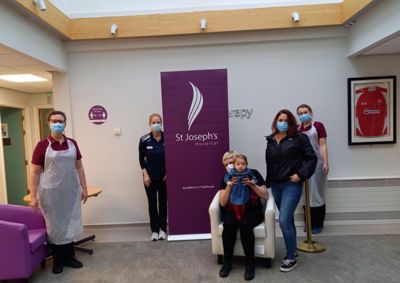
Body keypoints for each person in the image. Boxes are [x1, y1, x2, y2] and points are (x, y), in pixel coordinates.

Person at [29, 110, 88, 274]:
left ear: (65, 123)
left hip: (71, 191)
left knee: (70, 222)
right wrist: (33, 196)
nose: (57, 124)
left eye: (60, 121)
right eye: (54, 121)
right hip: (50, 194)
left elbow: (80, 167)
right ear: (48, 123)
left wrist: (85, 188)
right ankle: (57, 260)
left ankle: (70, 257)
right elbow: (34, 173)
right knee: (54, 226)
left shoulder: (72, 143)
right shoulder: (42, 146)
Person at [265, 109, 317, 272]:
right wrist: (267, 182)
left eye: (286, 120)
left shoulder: (299, 138)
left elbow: (311, 158)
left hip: (291, 185)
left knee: (283, 220)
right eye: (280, 119)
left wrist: (301, 174)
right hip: (276, 184)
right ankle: (293, 249)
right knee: (288, 220)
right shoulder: (271, 139)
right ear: (275, 121)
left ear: (291, 122)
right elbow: (270, 163)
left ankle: (290, 257)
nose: (283, 123)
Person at [219, 151, 268, 281]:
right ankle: (227, 262)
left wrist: (252, 184)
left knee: (245, 224)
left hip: (252, 209)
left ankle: (250, 264)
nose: (230, 166)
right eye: (227, 164)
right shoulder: (227, 177)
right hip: (232, 208)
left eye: (231, 162)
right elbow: (223, 202)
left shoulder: (253, 173)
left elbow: (265, 195)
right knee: (229, 224)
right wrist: (230, 186)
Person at [297, 104, 329, 234]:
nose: (303, 114)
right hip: (303, 165)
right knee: (306, 194)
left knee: (316, 193)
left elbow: (323, 145)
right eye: (300, 113)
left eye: (306, 112)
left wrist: (325, 162)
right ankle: (308, 222)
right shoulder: (297, 130)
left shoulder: (318, 126)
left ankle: (318, 224)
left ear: (311, 112)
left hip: (317, 164)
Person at [138, 113, 167, 241]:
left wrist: (169, 173)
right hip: (149, 178)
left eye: (158, 121)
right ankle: (154, 230)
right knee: (152, 204)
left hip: (164, 178)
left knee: (163, 203)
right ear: (149, 124)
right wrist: (145, 174)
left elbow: (172, 157)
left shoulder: (168, 138)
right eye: (154, 122)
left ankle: (162, 229)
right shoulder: (144, 140)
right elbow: (141, 158)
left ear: (161, 123)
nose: (156, 124)